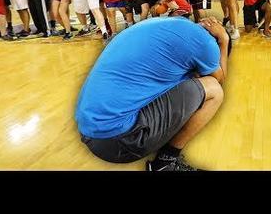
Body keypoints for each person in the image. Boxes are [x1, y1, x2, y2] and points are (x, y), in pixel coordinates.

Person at [75, 16, 231, 171]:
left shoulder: (173, 25)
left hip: (90, 132)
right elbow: (219, 78)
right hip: (119, 141)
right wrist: (224, 40)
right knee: (213, 90)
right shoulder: (207, 44)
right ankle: (164, 163)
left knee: (185, 82)